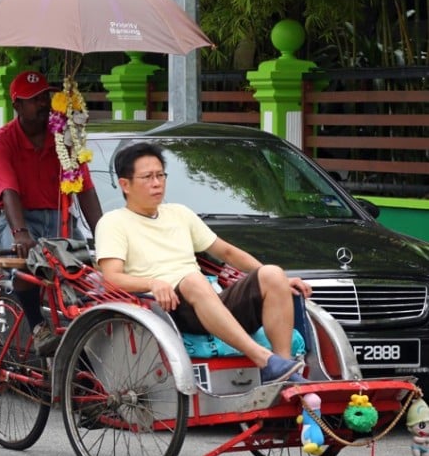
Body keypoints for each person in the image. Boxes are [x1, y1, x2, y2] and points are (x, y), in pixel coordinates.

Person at [94, 142, 312, 384]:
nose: (157, 183)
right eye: (147, 177)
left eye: (160, 175)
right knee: (194, 280)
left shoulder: (179, 213)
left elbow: (227, 252)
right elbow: (112, 276)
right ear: (125, 184)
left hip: (206, 300)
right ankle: (264, 360)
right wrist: (152, 283)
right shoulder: (113, 222)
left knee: (272, 273)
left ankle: (284, 369)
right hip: (167, 308)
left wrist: (283, 281)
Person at [0, 70, 103, 355]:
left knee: (85, 277)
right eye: (34, 100)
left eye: (46, 97)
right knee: (28, 262)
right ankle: (38, 327)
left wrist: (105, 234)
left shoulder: (65, 137)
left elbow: (85, 189)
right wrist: (20, 233)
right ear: (17, 106)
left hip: (61, 220)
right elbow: (8, 190)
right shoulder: (2, 141)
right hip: (18, 220)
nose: (43, 104)